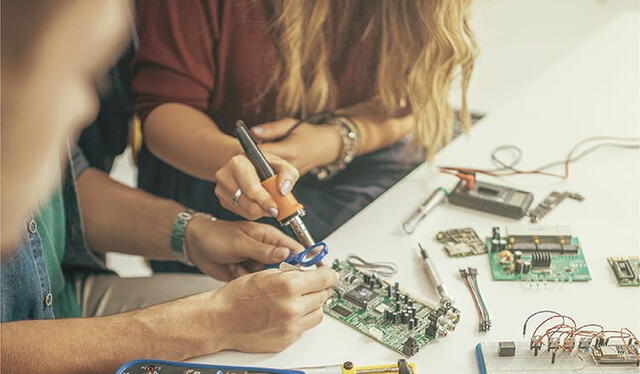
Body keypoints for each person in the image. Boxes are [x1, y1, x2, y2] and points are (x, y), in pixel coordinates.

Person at [0, 1, 336, 373]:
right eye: (65, 76)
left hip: (61, 302)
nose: (88, 109)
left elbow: (67, 191)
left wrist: (193, 233)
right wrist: (208, 323)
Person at [132, 0, 477, 264]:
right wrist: (233, 158)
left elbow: (414, 104)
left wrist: (334, 139)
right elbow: (163, 114)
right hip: (218, 181)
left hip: (356, 155)